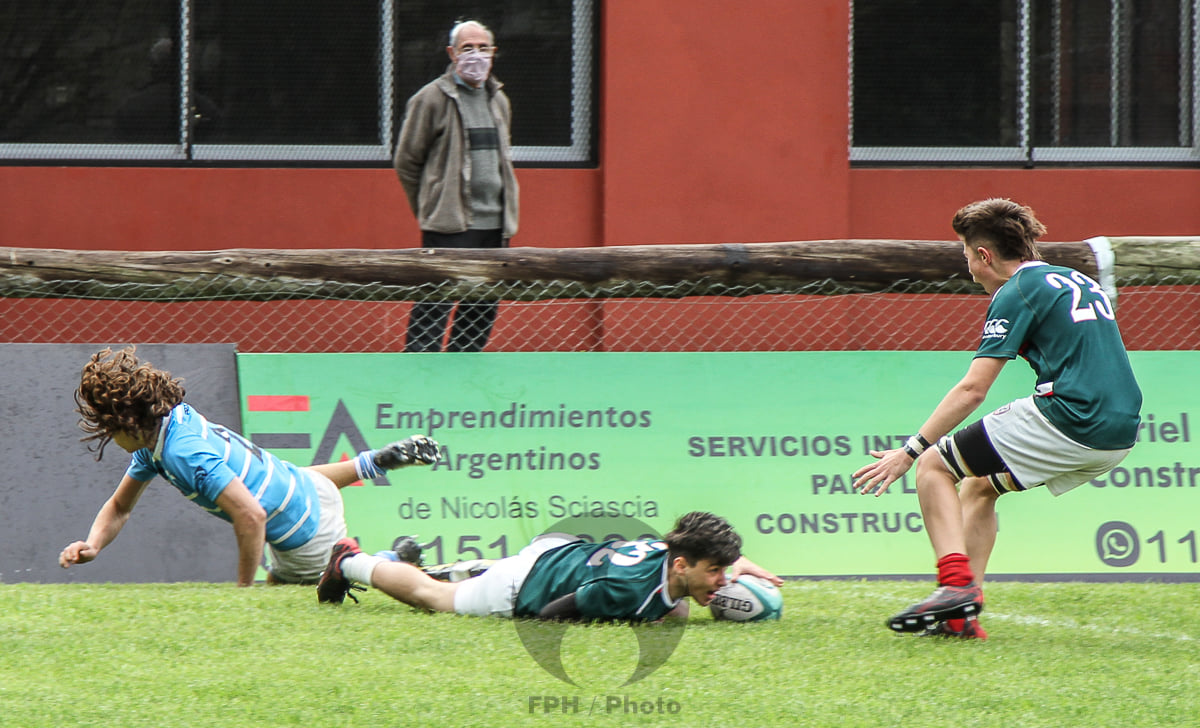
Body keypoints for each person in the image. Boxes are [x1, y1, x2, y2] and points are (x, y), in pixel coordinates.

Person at [852, 199, 1142, 640]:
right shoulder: (1071, 278)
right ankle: (960, 618)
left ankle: (953, 587)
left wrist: (909, 451)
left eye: (966, 255)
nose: (967, 266)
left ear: (984, 255)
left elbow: (973, 389)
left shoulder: (1018, 290)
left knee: (934, 466)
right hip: (1120, 432)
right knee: (978, 484)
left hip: (1071, 417)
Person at [58, 346, 442, 586]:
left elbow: (252, 518)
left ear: (127, 423)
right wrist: (92, 544)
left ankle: (393, 561)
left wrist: (244, 591)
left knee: (333, 581)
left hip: (303, 532)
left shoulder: (183, 454)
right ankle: (372, 462)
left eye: (108, 430)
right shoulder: (163, 429)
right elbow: (120, 507)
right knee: (283, 492)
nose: (111, 440)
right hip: (306, 487)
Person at [317, 511, 782, 621]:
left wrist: (735, 562)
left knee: (674, 611)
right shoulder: (626, 592)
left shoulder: (672, 557)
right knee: (432, 598)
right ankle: (352, 562)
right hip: (526, 584)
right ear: (682, 565)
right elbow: (551, 613)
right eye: (716, 572)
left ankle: (412, 561)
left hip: (560, 548)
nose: (722, 582)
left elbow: (691, 537)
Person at [394, 19, 519, 353]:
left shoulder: (499, 100)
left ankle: (462, 377)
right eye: (467, 48)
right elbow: (407, 161)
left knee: (481, 307)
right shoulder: (431, 99)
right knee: (435, 305)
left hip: (495, 226)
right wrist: (431, 207)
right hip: (450, 226)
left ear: (494, 53)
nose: (475, 55)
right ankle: (420, 377)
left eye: (482, 48)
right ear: (451, 53)